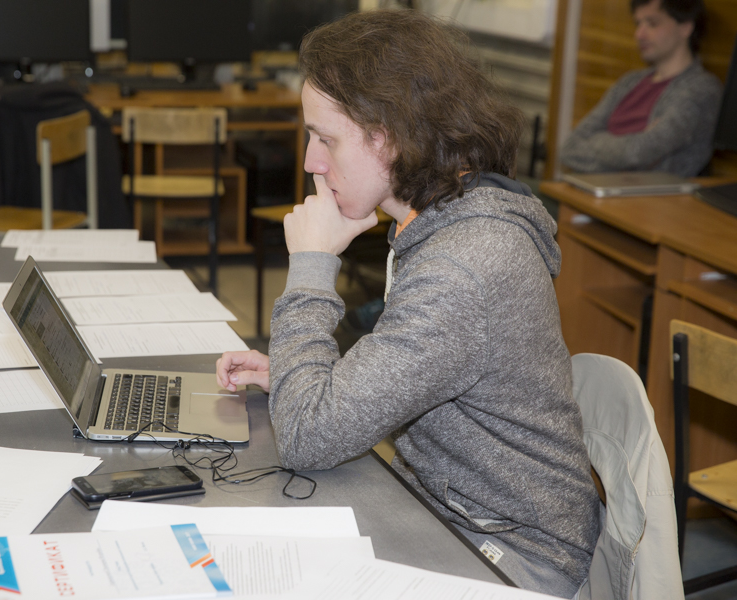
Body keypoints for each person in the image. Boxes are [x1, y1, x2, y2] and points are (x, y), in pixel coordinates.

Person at [217, 10, 601, 598]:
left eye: (325, 138)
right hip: (439, 507)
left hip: (511, 552)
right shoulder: (441, 218)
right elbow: (414, 368)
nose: (311, 161)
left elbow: (307, 439)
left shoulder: (464, 265)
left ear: (389, 134)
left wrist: (312, 266)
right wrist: (303, 378)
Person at [560, 0, 722, 177]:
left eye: (652, 24)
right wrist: (629, 147)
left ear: (685, 27)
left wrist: (597, 142)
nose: (639, 34)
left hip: (646, 193)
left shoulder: (702, 89)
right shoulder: (629, 82)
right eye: (638, 24)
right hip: (590, 187)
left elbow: (638, 153)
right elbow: (569, 149)